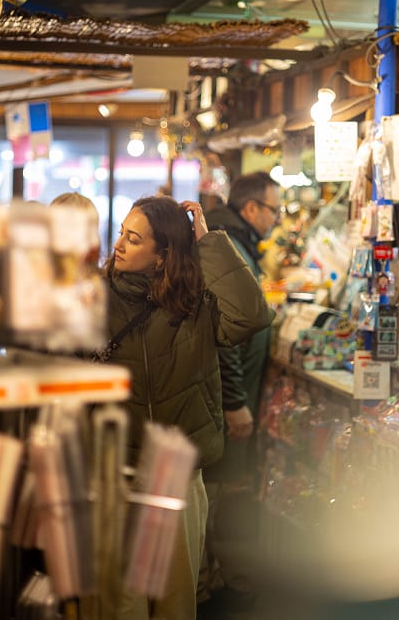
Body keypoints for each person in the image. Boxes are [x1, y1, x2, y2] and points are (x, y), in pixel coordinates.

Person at [101, 197, 274, 620]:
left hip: (177, 475)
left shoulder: (196, 302)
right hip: (115, 472)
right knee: (123, 606)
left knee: (175, 601)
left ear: (163, 256)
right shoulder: (94, 297)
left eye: (133, 238)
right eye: (122, 232)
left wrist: (209, 242)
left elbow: (251, 316)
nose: (119, 244)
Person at [199, 172, 280, 612]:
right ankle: (211, 582)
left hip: (228, 395)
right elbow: (224, 334)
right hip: (224, 397)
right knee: (216, 487)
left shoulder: (232, 239)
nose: (277, 218)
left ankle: (213, 575)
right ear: (252, 209)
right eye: (274, 209)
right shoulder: (226, 243)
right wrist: (235, 401)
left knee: (218, 488)